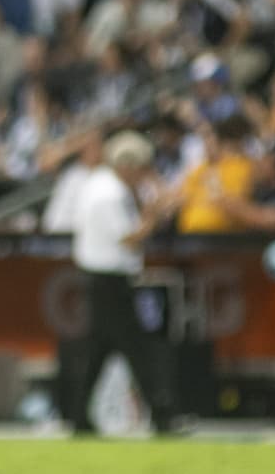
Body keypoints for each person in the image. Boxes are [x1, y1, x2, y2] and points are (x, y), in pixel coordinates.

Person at [68, 131, 175, 435]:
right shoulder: (110, 194)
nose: (144, 175)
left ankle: (78, 416)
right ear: (126, 166)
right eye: (142, 168)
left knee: (97, 352)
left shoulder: (97, 185)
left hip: (99, 277)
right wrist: (154, 214)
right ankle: (162, 415)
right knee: (137, 348)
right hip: (110, 280)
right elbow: (129, 239)